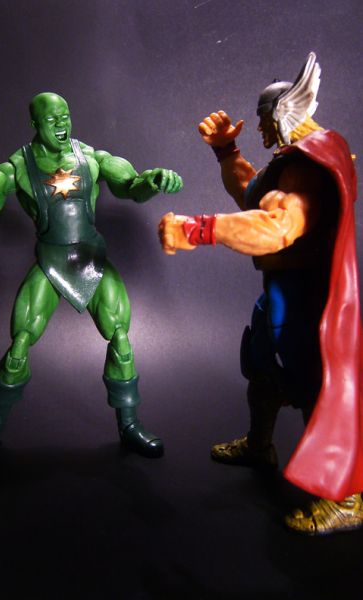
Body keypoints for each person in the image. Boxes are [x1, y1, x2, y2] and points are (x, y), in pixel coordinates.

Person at [159, 53, 363, 534]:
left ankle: (347, 497)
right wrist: (226, 153)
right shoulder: (290, 159)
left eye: (263, 118)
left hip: (306, 299)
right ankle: (260, 445)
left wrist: (198, 229)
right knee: (263, 369)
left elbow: (276, 228)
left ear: (283, 113)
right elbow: (252, 194)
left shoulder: (309, 166)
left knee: (314, 387)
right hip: (278, 293)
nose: (260, 128)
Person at [0, 92, 183, 460]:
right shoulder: (18, 167)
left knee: (121, 339)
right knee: (19, 345)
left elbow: (131, 186)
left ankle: (129, 424)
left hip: (90, 257)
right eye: (51, 119)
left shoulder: (91, 157)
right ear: (34, 124)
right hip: (50, 261)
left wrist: (153, 181)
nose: (61, 124)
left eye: (65, 116)